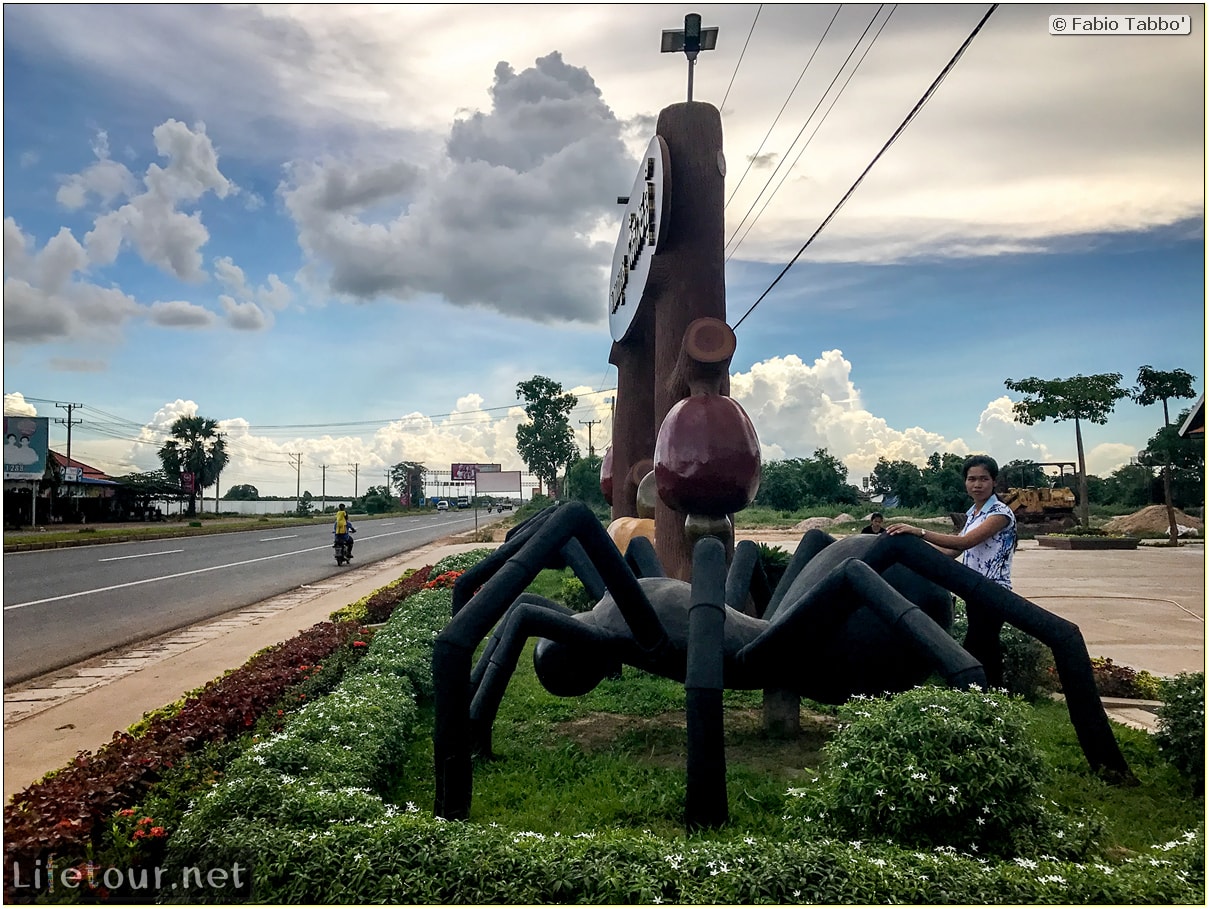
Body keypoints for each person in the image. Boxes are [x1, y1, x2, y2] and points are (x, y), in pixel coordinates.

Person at [885, 454, 1016, 589]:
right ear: (965, 482)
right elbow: (950, 552)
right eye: (972, 479)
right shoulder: (973, 514)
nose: (977, 485)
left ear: (994, 482)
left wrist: (920, 532)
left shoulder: (999, 513)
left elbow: (965, 542)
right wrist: (912, 542)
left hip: (995, 591)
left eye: (984, 479)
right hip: (975, 589)